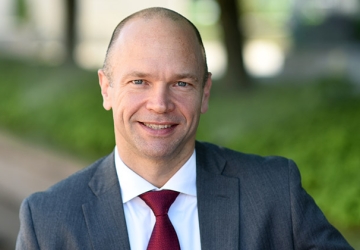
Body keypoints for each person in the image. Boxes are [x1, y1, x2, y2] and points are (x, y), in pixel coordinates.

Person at [16, 7, 353, 250]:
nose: (160, 104)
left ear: (204, 93)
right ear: (106, 88)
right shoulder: (47, 221)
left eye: (180, 83)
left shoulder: (274, 193)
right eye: (139, 81)